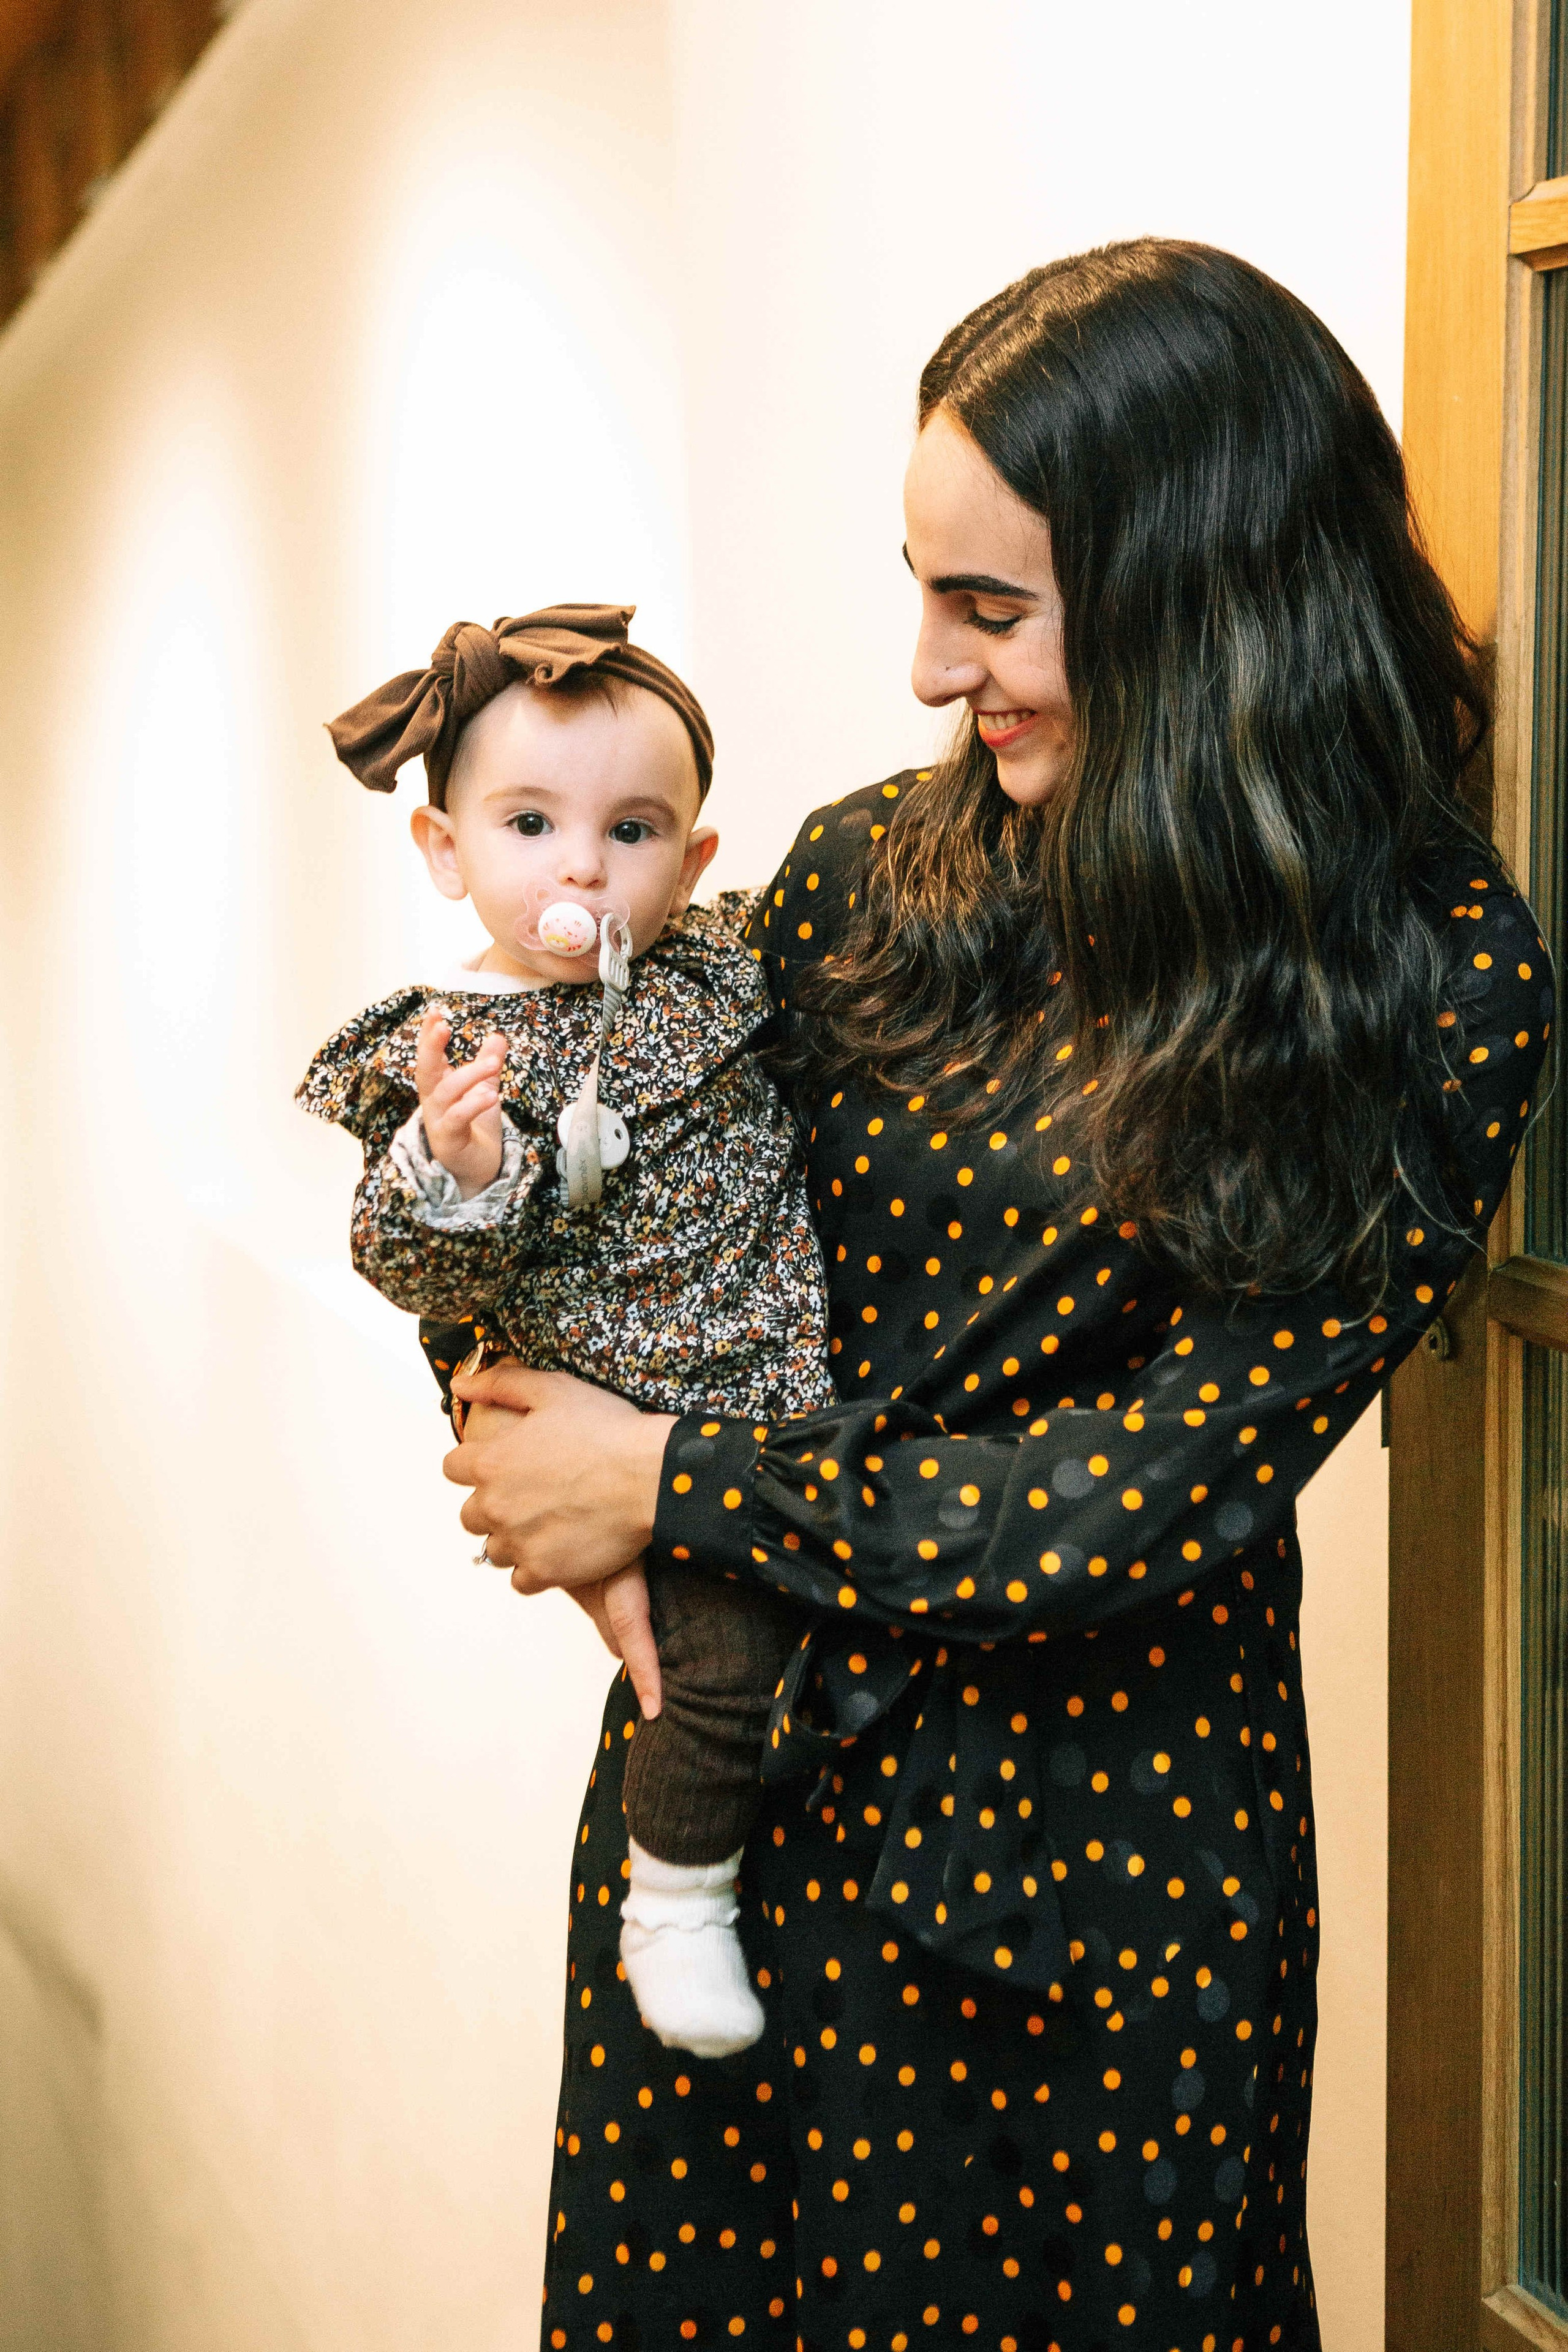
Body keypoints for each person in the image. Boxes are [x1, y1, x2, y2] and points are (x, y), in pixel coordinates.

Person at [446, 244, 1554, 2351]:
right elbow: (633, 1191)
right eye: (924, 589)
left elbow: (1145, 1493)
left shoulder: (1424, 976)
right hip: (735, 1815)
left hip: (1091, 1890)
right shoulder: (876, 871)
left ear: (1194, 585)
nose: (934, 669)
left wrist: (673, 1487)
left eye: (991, 606)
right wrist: (497, 1335)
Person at [296, 605, 837, 2059]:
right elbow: (403, 1267)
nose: (584, 865)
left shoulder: (710, 972)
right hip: (641, 1431)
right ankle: (674, 1901)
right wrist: (456, 1171)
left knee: (790, 1670)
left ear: (697, 860)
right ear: (445, 851)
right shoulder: (453, 1050)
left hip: (784, 1396)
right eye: (530, 822)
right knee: (714, 1675)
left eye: (635, 829)